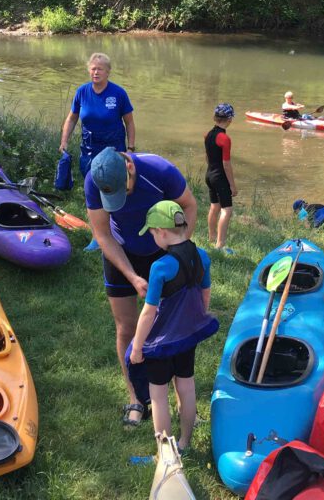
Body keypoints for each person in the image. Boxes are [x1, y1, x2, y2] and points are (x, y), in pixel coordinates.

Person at [85, 147, 198, 427]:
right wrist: (132, 276)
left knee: (168, 324)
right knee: (127, 326)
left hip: (162, 251)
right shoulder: (94, 180)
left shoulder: (159, 171)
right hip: (121, 252)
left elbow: (190, 205)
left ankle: (181, 398)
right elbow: (102, 234)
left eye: (123, 191)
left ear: (130, 168)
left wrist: (179, 252)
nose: (120, 202)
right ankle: (137, 398)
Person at [129, 201, 217, 454]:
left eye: (153, 233)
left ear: (163, 232)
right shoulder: (202, 257)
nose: (154, 237)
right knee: (186, 386)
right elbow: (205, 294)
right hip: (188, 337)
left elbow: (148, 312)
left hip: (162, 342)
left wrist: (137, 347)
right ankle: (185, 443)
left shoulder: (160, 267)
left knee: (158, 395)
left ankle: (165, 454)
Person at [60, 52, 136, 176]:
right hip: (89, 148)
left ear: (107, 72)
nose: (96, 72)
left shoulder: (119, 93)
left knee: (112, 184)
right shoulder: (82, 92)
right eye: (93, 69)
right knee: (90, 182)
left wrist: (131, 148)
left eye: (100, 69)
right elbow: (72, 119)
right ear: (89, 71)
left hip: (114, 148)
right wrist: (64, 141)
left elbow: (129, 122)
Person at [204, 103, 238, 251]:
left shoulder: (208, 134)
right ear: (229, 119)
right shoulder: (224, 138)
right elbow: (226, 164)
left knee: (214, 206)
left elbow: (207, 157)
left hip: (209, 174)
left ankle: (211, 237)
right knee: (227, 210)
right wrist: (232, 185)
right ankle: (220, 244)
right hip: (219, 177)